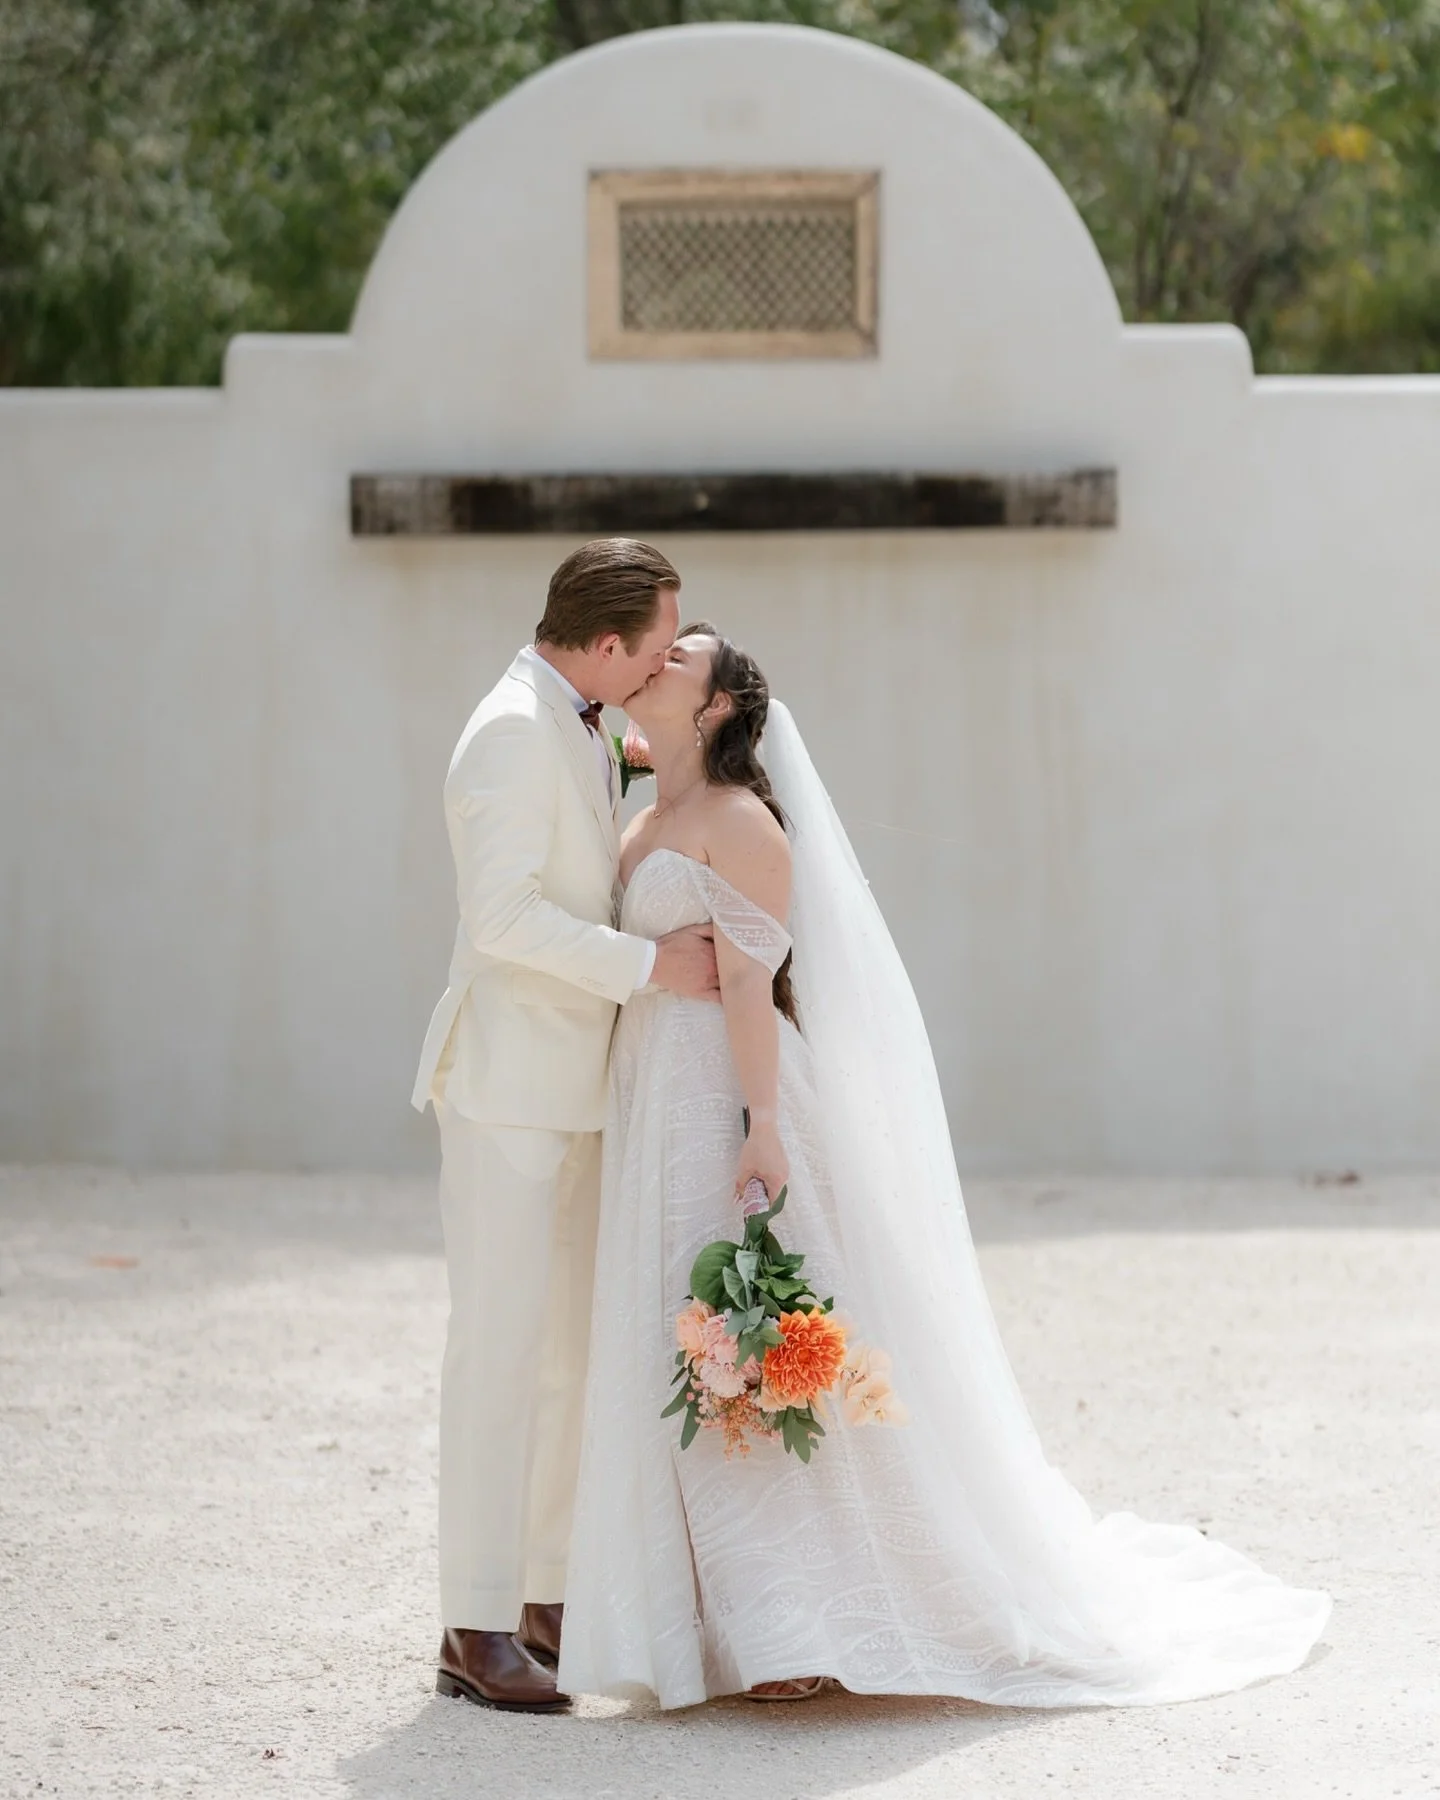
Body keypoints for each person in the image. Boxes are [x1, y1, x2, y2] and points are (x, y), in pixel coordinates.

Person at [558, 625, 1332, 1709]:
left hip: (725, 1098)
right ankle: (711, 1620)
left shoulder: (741, 823)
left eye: (679, 660)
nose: (655, 662)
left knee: (766, 1339)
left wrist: (763, 1125)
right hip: (653, 1100)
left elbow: (749, 988)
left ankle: (799, 1623)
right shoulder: (638, 823)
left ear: (719, 706)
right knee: (681, 1340)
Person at [410, 542, 718, 1713]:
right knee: (496, 1353)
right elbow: (501, 918)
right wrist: (649, 967)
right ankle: (473, 1623)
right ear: (602, 644)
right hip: (506, 1088)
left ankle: (543, 1598)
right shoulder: (506, 729)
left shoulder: (580, 722)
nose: (659, 669)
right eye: (654, 648)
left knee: (566, 1360)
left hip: (581, 1089)